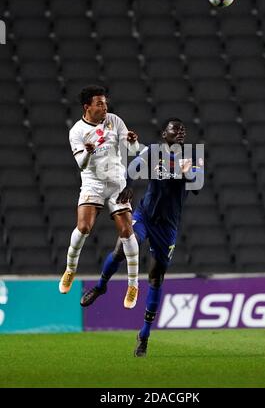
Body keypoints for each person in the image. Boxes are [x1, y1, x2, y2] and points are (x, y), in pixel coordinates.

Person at [80, 118, 203, 356]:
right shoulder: (153, 153)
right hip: (144, 216)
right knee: (123, 246)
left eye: (182, 130)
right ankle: (100, 286)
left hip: (166, 228)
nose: (179, 133)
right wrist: (127, 186)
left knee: (155, 278)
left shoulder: (191, 158)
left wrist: (187, 173)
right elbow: (131, 170)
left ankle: (144, 335)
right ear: (163, 134)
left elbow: (197, 185)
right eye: (174, 130)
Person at [59, 85, 140, 309]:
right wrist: (88, 151)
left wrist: (132, 141)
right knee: (84, 227)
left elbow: (132, 150)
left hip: (116, 183)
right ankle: (70, 269)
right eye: (100, 103)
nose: (105, 107)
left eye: (105, 103)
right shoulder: (77, 131)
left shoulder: (114, 120)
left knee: (126, 231)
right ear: (87, 107)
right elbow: (81, 164)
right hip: (93, 183)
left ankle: (133, 285)